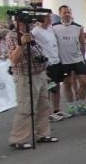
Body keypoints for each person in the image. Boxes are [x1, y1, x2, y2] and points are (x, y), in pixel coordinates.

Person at [6, 13, 58, 149]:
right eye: (27, 21)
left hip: (39, 73)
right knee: (26, 107)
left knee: (44, 105)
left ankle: (43, 134)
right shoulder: (12, 36)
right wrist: (21, 44)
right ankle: (19, 139)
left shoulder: (31, 34)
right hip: (25, 75)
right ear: (20, 21)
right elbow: (14, 60)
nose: (31, 23)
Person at [52, 5, 86, 115]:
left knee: (84, 82)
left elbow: (83, 45)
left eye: (69, 12)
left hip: (77, 59)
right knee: (67, 84)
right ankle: (71, 106)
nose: (67, 14)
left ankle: (81, 104)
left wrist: (83, 57)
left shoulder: (78, 27)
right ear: (60, 14)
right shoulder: (54, 27)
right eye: (64, 12)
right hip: (64, 62)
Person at [30, 13, 67, 121]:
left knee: (57, 86)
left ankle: (57, 110)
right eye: (47, 18)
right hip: (47, 63)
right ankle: (47, 113)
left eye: (49, 17)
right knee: (48, 88)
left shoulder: (51, 29)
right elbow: (35, 47)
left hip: (56, 61)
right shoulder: (36, 31)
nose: (50, 19)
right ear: (41, 19)